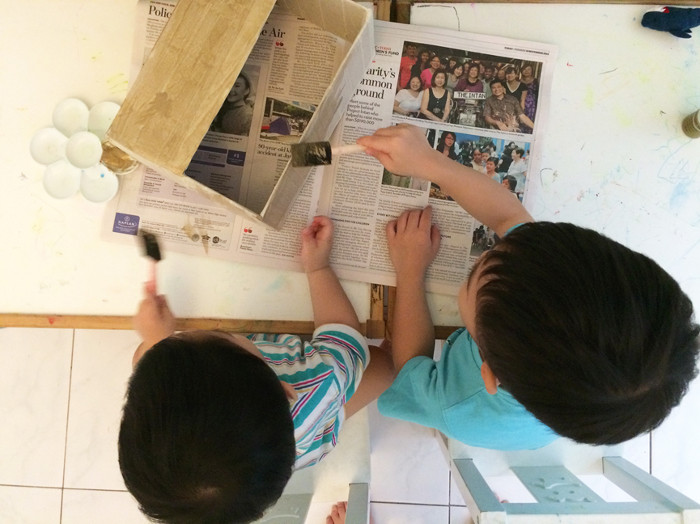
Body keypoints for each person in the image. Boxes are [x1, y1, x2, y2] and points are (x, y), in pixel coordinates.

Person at [356, 123, 699, 450]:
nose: (498, 244)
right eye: (510, 248)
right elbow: (509, 217)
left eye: (477, 272)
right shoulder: (559, 278)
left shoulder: (459, 406)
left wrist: (411, 272)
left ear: (488, 373)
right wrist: (429, 163)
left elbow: (409, 371)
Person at [119, 216, 395, 523]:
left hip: (274, 449)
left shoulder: (163, 404)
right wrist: (318, 268)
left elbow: (144, 369)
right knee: (382, 368)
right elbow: (343, 334)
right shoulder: (318, 381)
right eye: (224, 337)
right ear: (284, 388)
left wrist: (156, 339)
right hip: (314, 419)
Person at [210, 71, 254, 136]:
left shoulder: (247, 115)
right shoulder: (226, 109)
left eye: (237, 86)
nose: (231, 89)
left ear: (246, 91)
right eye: (229, 85)